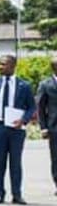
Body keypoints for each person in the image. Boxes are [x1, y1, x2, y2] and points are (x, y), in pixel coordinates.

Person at [0, 55, 36, 204]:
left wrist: (23, 120)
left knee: (15, 162)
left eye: (4, 64)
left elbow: (32, 107)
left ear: (13, 66)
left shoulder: (24, 86)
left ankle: (17, 194)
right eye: (0, 64)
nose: (0, 67)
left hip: (16, 128)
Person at [38, 56, 57, 196]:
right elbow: (40, 108)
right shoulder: (45, 85)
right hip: (54, 127)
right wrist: (43, 128)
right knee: (56, 158)